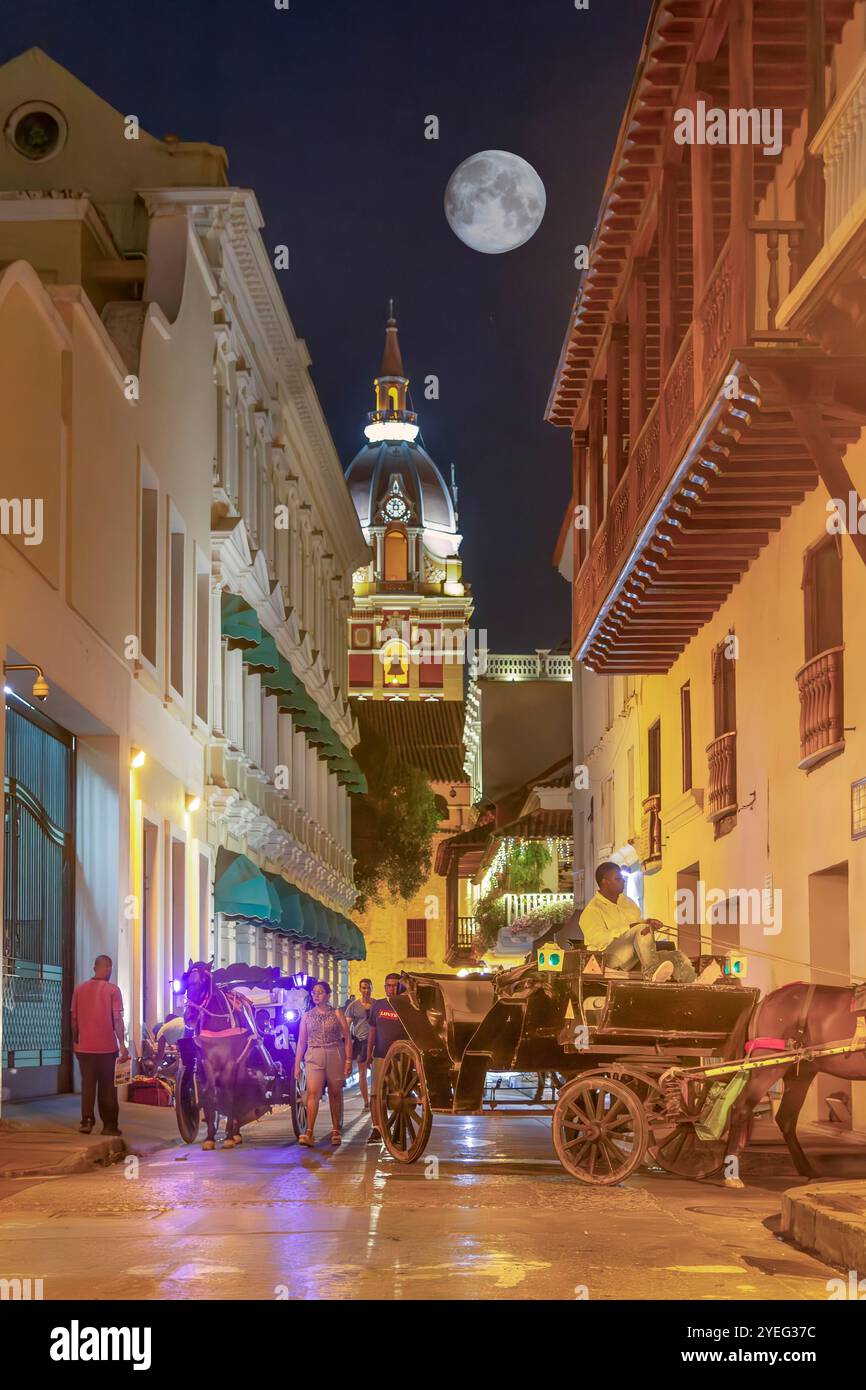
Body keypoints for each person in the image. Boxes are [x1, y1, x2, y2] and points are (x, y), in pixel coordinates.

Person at [579, 863, 709, 983]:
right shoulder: (592, 911)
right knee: (641, 929)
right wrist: (632, 928)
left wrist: (649, 924)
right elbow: (596, 939)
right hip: (608, 960)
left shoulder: (628, 903)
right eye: (618, 879)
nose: (623, 881)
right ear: (605, 882)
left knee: (676, 956)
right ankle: (652, 974)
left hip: (636, 959)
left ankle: (697, 985)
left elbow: (639, 929)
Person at [71, 955, 128, 1136]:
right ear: (109, 969)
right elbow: (117, 1019)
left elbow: (73, 1019)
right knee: (107, 1088)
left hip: (84, 1049)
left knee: (87, 1086)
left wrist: (76, 1041)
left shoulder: (79, 990)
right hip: (107, 1049)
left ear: (94, 967)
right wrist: (122, 1044)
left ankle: (86, 1121)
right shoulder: (113, 990)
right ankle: (109, 1126)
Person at [294, 980, 351, 1147]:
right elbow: (301, 1042)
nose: (316, 995)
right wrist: (297, 1064)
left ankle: (335, 1130)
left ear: (327, 995)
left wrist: (348, 1059)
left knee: (335, 1092)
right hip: (314, 1055)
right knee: (313, 1093)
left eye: (320, 992)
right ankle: (309, 1132)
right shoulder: (307, 1016)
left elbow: (347, 1037)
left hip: (335, 1053)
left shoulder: (337, 1013)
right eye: (314, 992)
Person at [367, 973, 408, 1144]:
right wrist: (369, 1052)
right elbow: (372, 1030)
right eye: (387, 986)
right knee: (376, 1093)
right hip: (381, 1055)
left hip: (401, 1057)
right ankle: (377, 1128)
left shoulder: (407, 1006)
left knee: (400, 1093)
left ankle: (399, 1126)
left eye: (394, 985)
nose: (390, 989)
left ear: (400, 987)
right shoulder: (378, 1005)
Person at [343, 978, 374, 1108]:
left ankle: (376, 1098)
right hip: (362, 1041)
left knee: (377, 1071)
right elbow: (346, 1025)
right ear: (360, 989)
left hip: (376, 1042)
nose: (366, 990)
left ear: (372, 988)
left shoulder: (377, 1004)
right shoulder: (353, 1006)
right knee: (362, 1072)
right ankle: (366, 1101)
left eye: (368, 987)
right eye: (363, 988)